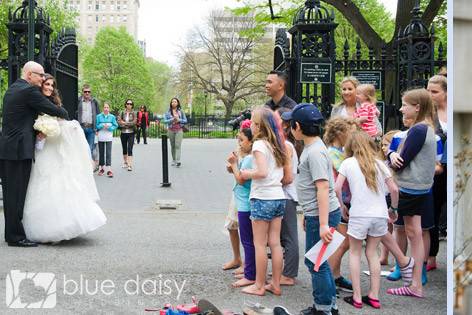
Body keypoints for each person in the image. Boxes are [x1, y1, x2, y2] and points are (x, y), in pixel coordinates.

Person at [22, 73, 106, 243]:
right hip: (42, 148)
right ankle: (46, 227)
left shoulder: (54, 101)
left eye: (52, 85)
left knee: (62, 182)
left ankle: (66, 225)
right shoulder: (34, 99)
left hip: (55, 146)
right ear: (40, 85)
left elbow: (62, 118)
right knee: (42, 182)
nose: (49, 88)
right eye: (46, 84)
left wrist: (62, 126)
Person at [0, 62, 69, 247]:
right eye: (40, 75)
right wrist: (64, 113)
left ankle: (11, 234)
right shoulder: (29, 91)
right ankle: (16, 237)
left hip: (9, 149)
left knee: (10, 194)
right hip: (18, 150)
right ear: (29, 74)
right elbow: (54, 109)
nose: (42, 79)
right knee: (16, 194)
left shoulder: (13, 88)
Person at [335, 131, 399, 309]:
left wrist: (342, 206)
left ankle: (356, 296)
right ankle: (374, 295)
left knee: (355, 253)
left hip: (359, 213)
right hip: (379, 214)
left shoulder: (348, 163)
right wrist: (393, 209)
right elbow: (394, 189)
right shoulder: (380, 164)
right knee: (373, 253)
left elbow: (337, 188)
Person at [386, 88, 440, 298]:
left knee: (385, 228)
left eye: (405, 104)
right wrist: (391, 153)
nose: (401, 108)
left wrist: (390, 154)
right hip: (422, 189)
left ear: (417, 107)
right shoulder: (428, 128)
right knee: (415, 233)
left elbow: (400, 163)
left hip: (409, 188)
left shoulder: (417, 130)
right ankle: (415, 281)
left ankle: (406, 266)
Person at [288, 103, 340, 315]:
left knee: (315, 263)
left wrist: (323, 223)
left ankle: (323, 308)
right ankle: (330, 305)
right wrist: (308, 215)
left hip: (322, 214)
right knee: (319, 261)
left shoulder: (315, 153)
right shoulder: (314, 148)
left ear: (297, 126)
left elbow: (323, 187)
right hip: (316, 212)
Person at [239, 106, 287, 296]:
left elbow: (261, 172)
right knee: (275, 243)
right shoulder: (278, 145)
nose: (250, 125)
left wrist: (246, 173)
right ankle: (275, 283)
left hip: (262, 197)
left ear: (259, 126)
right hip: (278, 197)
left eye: (252, 122)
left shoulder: (259, 145)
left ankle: (259, 285)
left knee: (260, 244)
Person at [323, 117, 357, 293]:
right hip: (338, 202)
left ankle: (335, 275)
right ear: (340, 133)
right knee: (341, 241)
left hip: (345, 200)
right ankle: (329, 277)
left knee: (342, 241)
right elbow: (345, 169)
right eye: (350, 132)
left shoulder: (340, 151)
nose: (352, 136)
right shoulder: (332, 153)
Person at [227, 124, 255, 288]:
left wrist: (234, 164)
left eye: (242, 140)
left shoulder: (250, 158)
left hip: (245, 203)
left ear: (251, 142)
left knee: (248, 240)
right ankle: (249, 269)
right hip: (244, 201)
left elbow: (241, 180)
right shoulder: (248, 157)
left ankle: (250, 273)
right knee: (249, 240)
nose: (239, 143)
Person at [427, 74, 447, 271]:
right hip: (434, 168)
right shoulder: (428, 114)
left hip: (456, 166)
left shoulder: (457, 110)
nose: (430, 95)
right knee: (432, 210)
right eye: (428, 91)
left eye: (434, 91)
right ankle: (431, 255)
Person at [278, 108, 300, 286]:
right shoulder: (286, 144)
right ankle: (285, 271)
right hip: (283, 195)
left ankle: (289, 274)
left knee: (289, 236)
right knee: (282, 236)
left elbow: (288, 177)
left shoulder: (287, 145)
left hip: (286, 195)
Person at [96, 102, 118, 177]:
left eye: (107, 107)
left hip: (109, 137)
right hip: (101, 137)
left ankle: (109, 169)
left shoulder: (112, 117)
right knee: (101, 153)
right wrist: (102, 126)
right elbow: (96, 125)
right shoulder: (98, 116)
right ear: (103, 108)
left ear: (109, 108)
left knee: (108, 153)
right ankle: (102, 169)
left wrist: (109, 127)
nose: (106, 109)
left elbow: (115, 125)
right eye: (105, 107)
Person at [77, 84, 100, 157]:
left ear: (90, 92)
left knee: (90, 148)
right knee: (81, 147)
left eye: (89, 92)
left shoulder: (94, 101)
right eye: (85, 91)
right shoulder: (78, 100)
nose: (87, 93)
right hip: (81, 127)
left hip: (91, 128)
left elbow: (98, 115)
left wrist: (97, 128)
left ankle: (89, 166)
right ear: (82, 92)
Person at [164, 98, 187, 167]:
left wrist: (179, 119)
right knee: (173, 146)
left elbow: (185, 120)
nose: (173, 103)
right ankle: (173, 159)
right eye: (172, 102)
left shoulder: (181, 111)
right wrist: (172, 119)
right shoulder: (167, 112)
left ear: (177, 103)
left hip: (179, 130)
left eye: (175, 102)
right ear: (171, 103)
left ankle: (178, 160)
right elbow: (165, 121)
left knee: (177, 145)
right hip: (171, 130)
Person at [117, 99, 137, 171]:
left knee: (130, 149)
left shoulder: (134, 113)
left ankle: (130, 165)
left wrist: (125, 123)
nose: (129, 105)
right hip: (123, 132)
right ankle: (125, 162)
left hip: (131, 133)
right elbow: (119, 121)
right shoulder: (122, 112)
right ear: (125, 104)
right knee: (124, 148)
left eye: (131, 104)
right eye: (128, 103)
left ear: (132, 105)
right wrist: (126, 123)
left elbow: (134, 122)